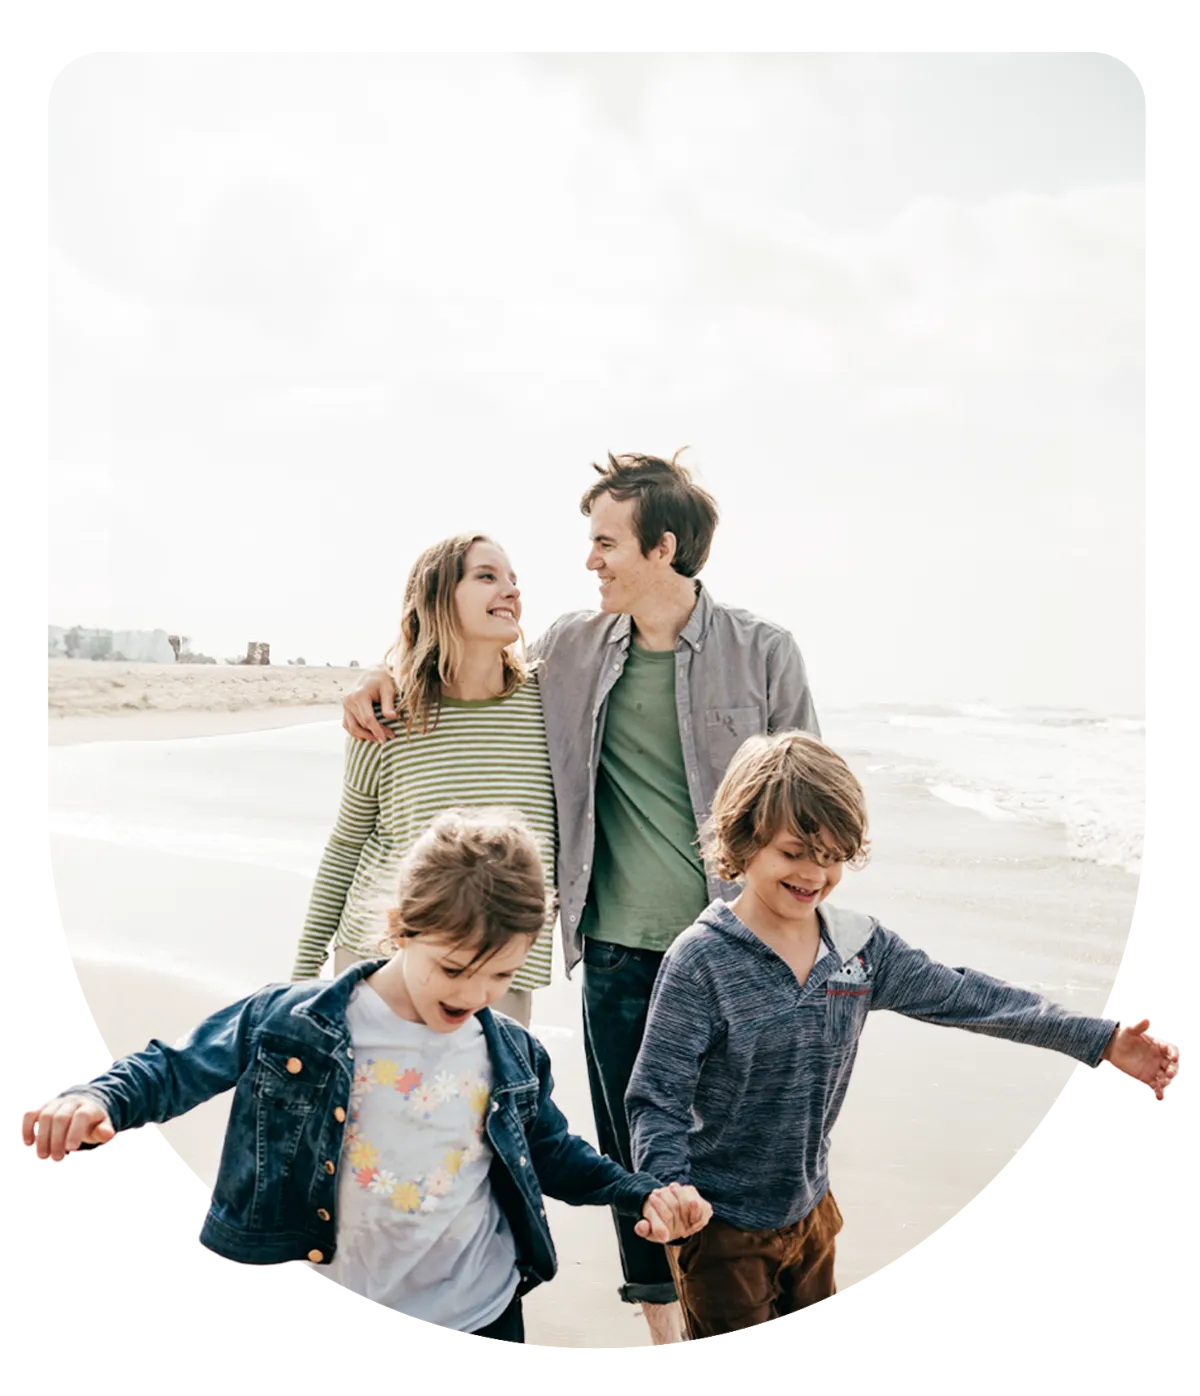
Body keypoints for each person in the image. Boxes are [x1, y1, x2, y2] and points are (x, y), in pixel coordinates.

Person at [342, 450, 820, 1345]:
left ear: (663, 547)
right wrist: (375, 675)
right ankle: (666, 1342)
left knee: (744, 1147)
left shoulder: (763, 651)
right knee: (635, 1146)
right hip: (614, 948)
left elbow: (812, 798)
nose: (590, 560)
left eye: (605, 543)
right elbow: (459, 649)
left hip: (737, 948)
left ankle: (745, 1328)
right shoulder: (569, 647)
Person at [21, 809, 712, 1346]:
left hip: (481, 1313)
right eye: (454, 968)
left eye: (501, 975)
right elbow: (177, 1066)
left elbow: (554, 1154)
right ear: (400, 929)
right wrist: (99, 1096)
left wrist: (640, 1191)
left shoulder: (511, 1053)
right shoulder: (296, 1022)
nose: (475, 993)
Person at [625, 731, 1183, 1343]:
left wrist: (1101, 1040)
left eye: (833, 855)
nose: (815, 873)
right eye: (793, 852)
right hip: (721, 1227)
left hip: (813, 1214)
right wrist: (667, 1188)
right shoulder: (701, 962)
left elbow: (972, 998)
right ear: (744, 841)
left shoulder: (859, 950)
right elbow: (658, 1098)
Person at [293, 533, 556, 1028]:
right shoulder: (386, 714)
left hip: (499, 972)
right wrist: (302, 977)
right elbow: (348, 843)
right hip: (381, 963)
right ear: (437, 597)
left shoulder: (550, 704)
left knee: (485, 1106)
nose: (511, 591)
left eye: (514, 581)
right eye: (487, 576)